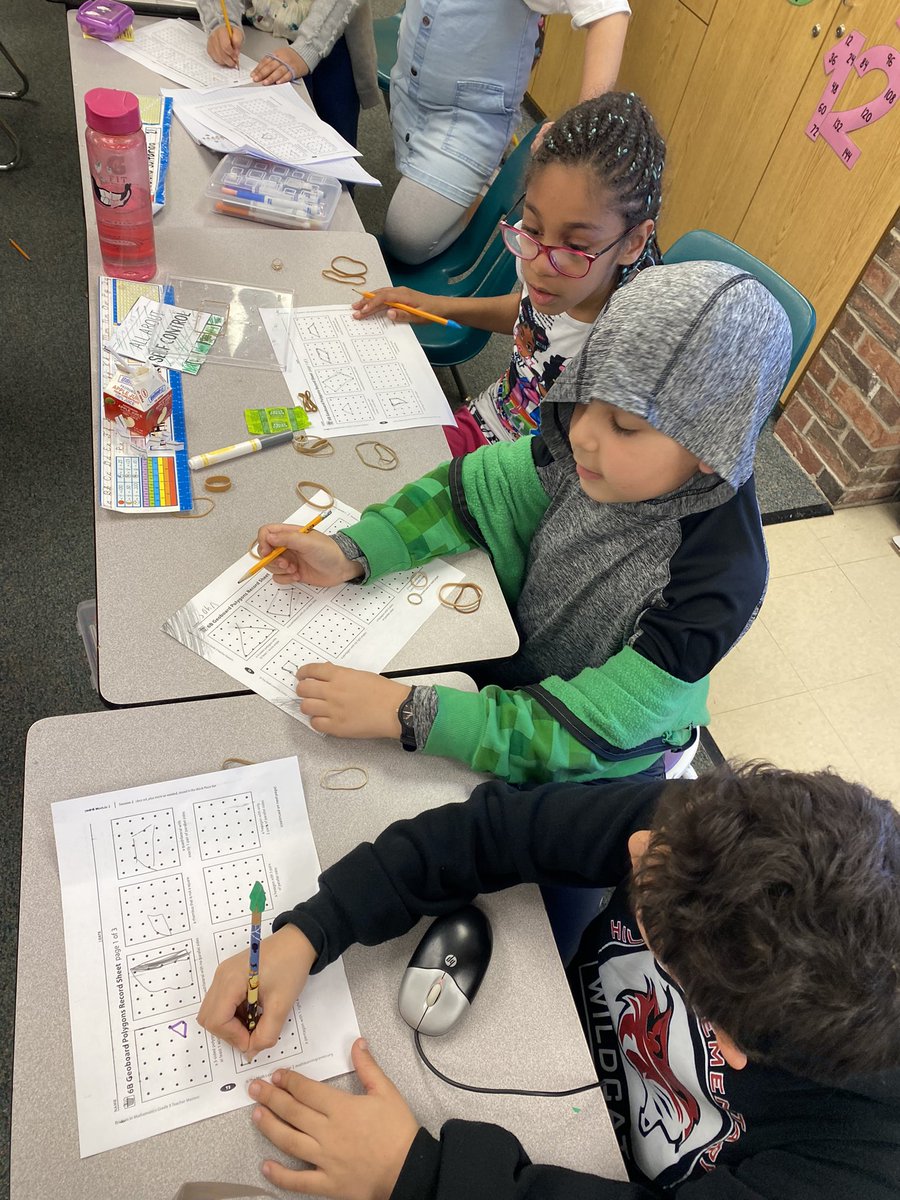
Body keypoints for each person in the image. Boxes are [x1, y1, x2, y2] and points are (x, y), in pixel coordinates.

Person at [198, 762, 900, 1197]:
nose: (634, 845)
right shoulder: (716, 832)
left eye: (648, 912)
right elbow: (505, 830)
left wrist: (417, 1179)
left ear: (727, 1039)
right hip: (551, 1054)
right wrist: (313, 929)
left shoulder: (859, 1165)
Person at [251, 261, 791, 785]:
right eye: (585, 400)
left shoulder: (716, 583)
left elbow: (592, 735)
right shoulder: (582, 458)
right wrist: (353, 550)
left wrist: (409, 713)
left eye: (623, 425)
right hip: (516, 672)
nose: (582, 433)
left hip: (602, 759)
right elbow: (467, 491)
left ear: (710, 448)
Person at [353, 92, 665, 455]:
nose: (538, 265)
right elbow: (526, 314)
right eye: (532, 228)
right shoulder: (559, 274)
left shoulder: (622, 350)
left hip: (525, 481)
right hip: (483, 424)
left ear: (632, 242)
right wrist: (438, 306)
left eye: (576, 247)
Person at [384, 0, 632, 265]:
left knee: (406, 239)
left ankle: (478, 192)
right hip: (408, 88)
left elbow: (609, 11)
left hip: (468, 118)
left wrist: (583, 123)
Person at [195, 0, 380, 148]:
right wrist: (219, 21)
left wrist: (310, 46)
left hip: (330, 37)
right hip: (261, 31)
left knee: (331, 148)